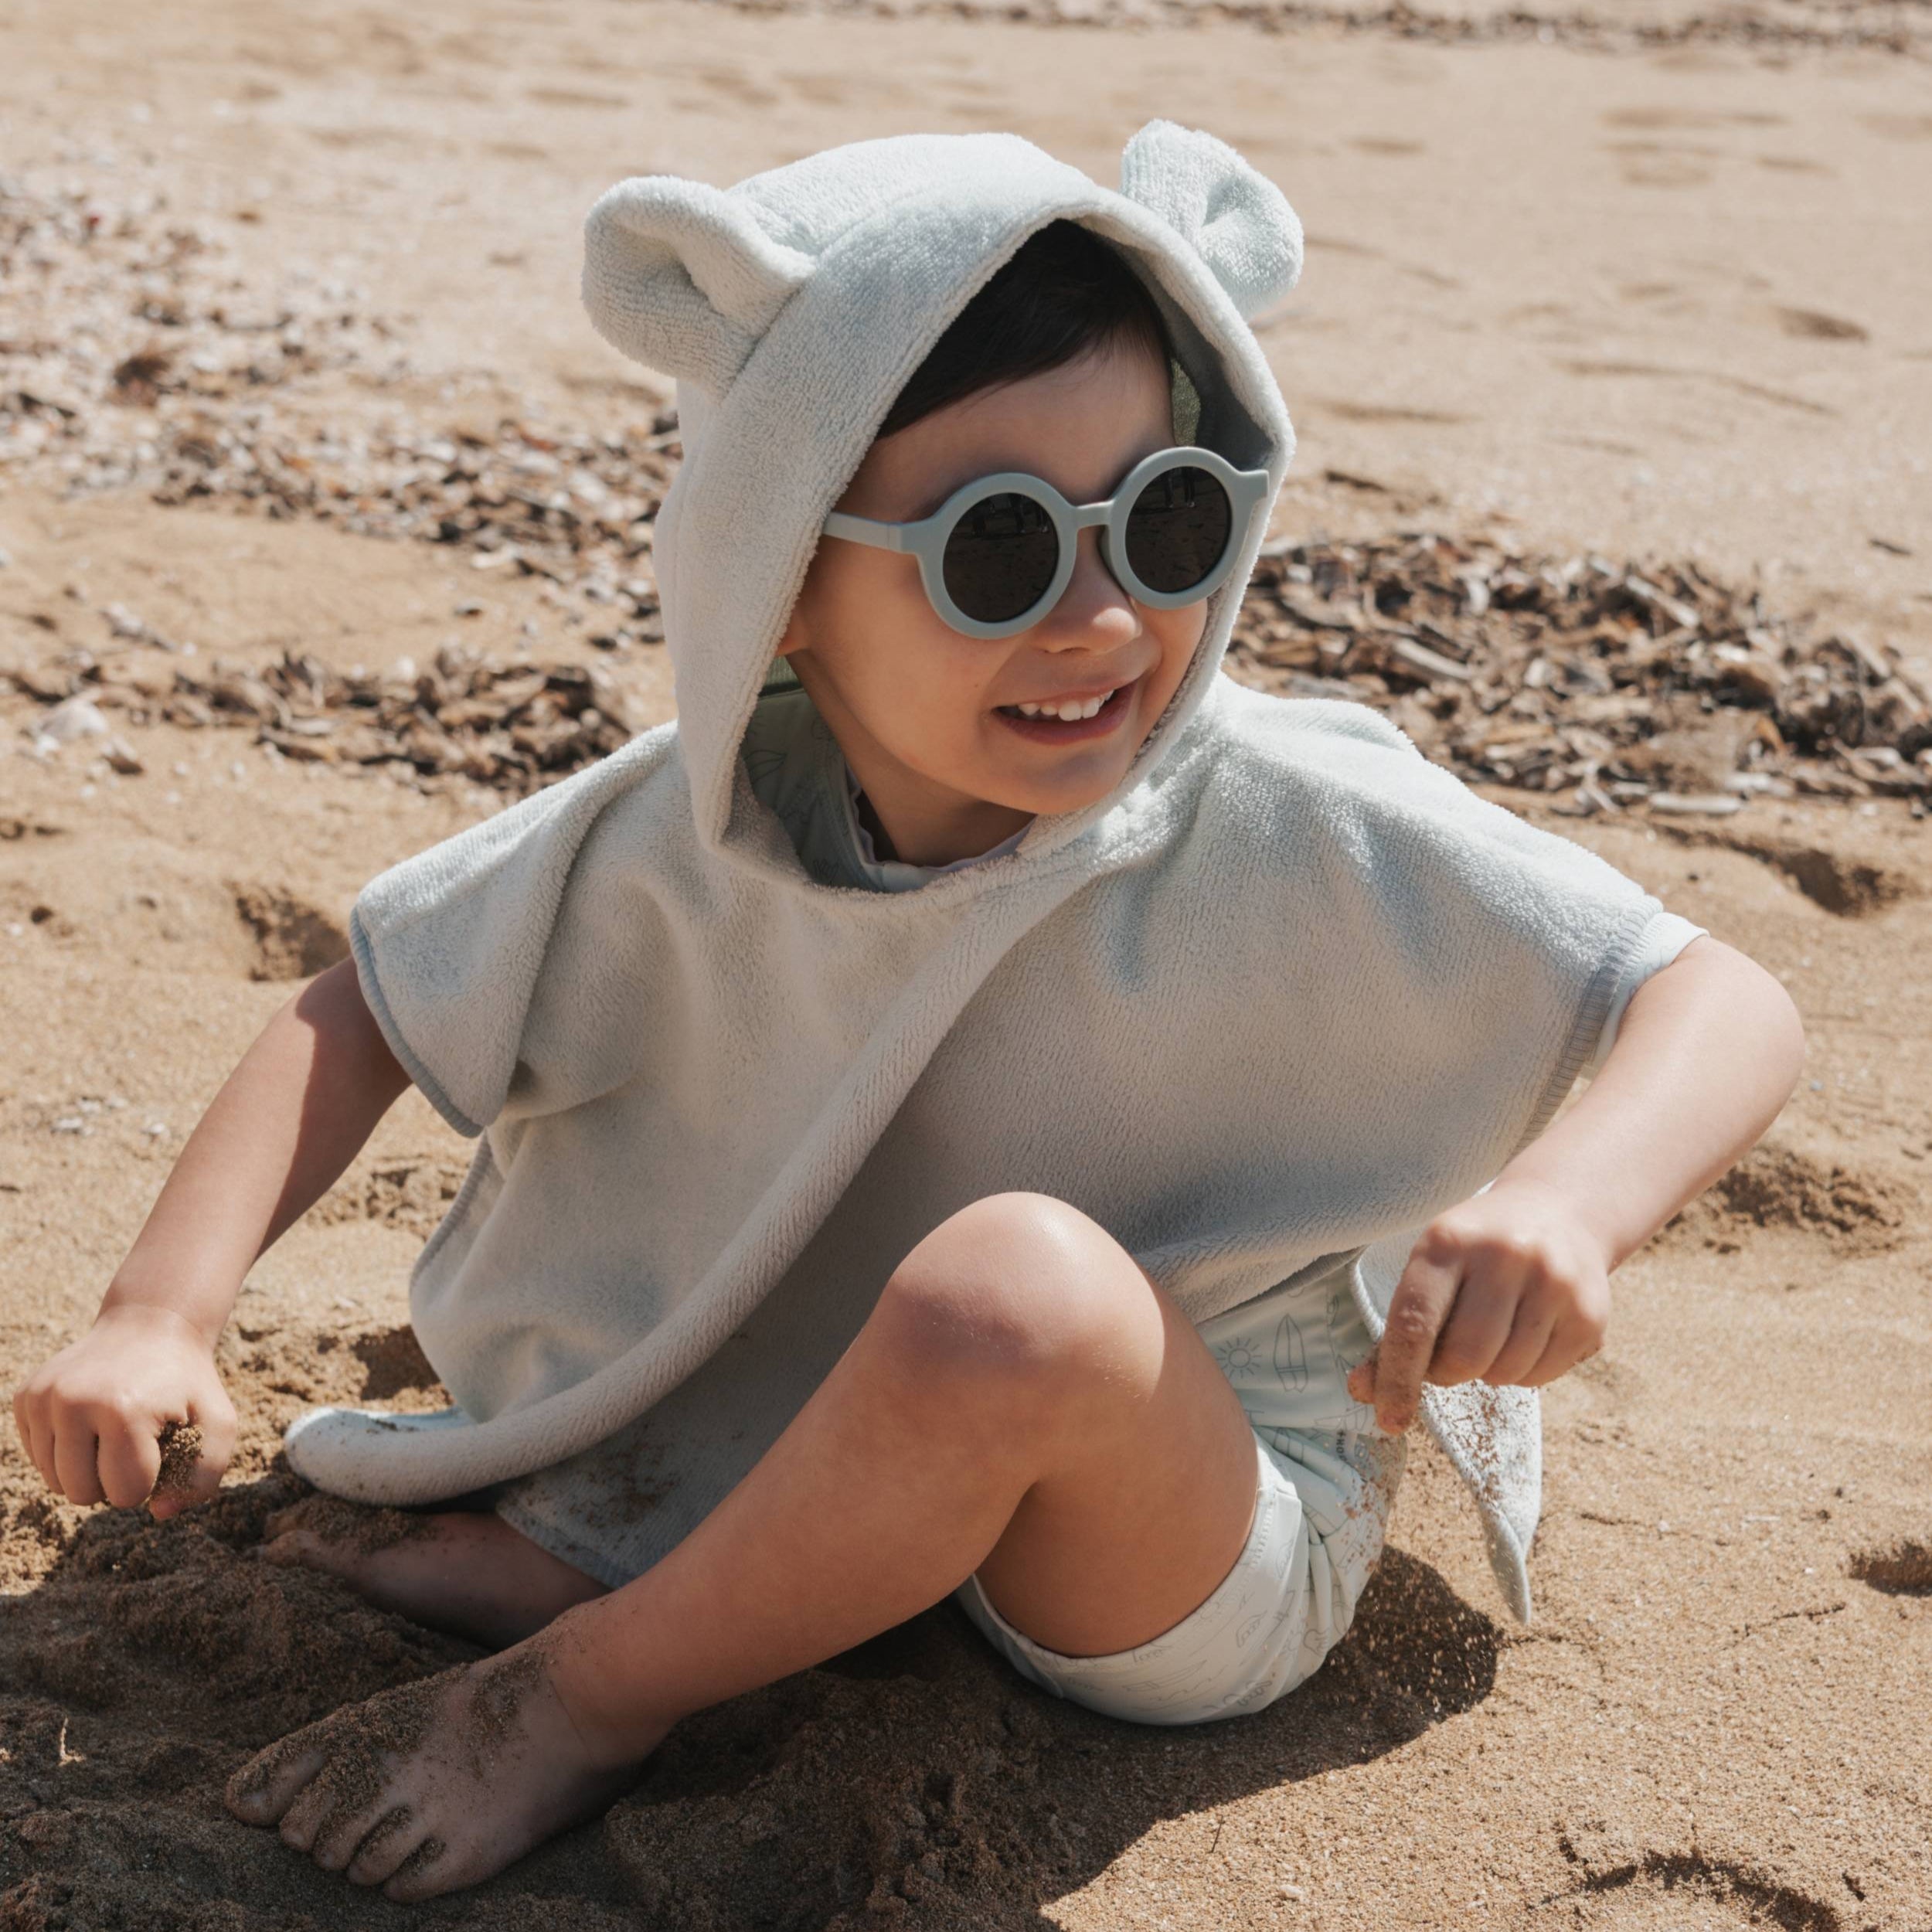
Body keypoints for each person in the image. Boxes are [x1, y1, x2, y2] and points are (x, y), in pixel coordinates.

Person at [9, 121, 1804, 1903]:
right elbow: (365, 1004)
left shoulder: (1284, 813)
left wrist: (1568, 1201)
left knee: (1009, 1294)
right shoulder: (684, 832)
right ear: (781, 574)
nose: (1102, 617)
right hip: (820, 1435)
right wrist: (160, 1311)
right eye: (996, 549)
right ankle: (694, 1581)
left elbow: (1712, 996)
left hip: (1197, 1519)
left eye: (1167, 519)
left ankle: (590, 1681)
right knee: (943, 1320)